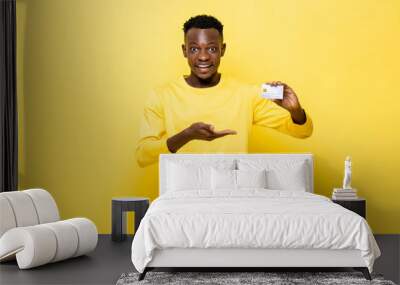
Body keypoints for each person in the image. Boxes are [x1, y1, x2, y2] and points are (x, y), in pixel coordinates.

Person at [136, 15, 313, 167]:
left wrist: (296, 111)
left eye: (212, 49)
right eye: (194, 49)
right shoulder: (162, 95)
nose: (203, 56)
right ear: (184, 51)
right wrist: (186, 135)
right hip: (182, 195)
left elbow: (303, 132)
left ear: (223, 50)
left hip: (234, 195)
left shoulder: (246, 94)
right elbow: (142, 155)